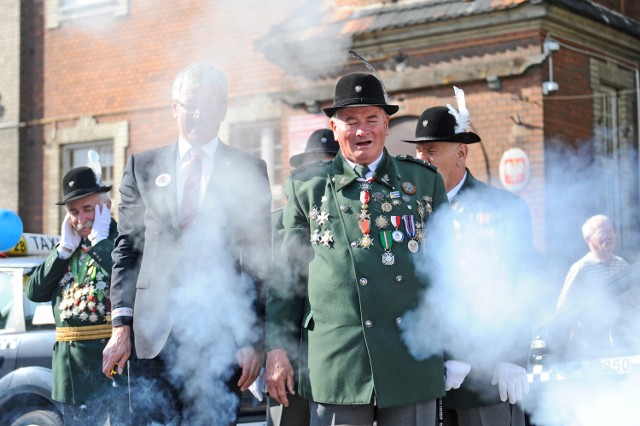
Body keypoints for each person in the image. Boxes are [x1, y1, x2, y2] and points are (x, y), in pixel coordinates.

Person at [265, 72, 454, 426]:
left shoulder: (424, 182)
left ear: (387, 124)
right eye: (350, 121)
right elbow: (286, 278)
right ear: (334, 128)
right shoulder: (307, 187)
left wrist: (457, 349)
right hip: (338, 365)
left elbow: (450, 274)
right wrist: (277, 347)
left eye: (371, 120)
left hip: (411, 358)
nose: (361, 130)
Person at [101, 62, 272, 425]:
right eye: (190, 104)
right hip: (152, 338)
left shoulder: (248, 170)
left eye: (209, 105)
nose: (198, 115)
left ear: (223, 110)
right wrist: (121, 325)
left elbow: (258, 260)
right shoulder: (141, 167)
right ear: (174, 107)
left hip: (220, 335)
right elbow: (128, 249)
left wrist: (252, 338)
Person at [402, 87, 534, 426]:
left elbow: (522, 284)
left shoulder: (504, 209)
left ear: (461, 152)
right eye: (418, 150)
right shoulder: (406, 211)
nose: (422, 159)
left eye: (431, 149)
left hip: (488, 371)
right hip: (424, 372)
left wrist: (515, 356)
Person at [26, 165, 126, 425]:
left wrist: (100, 242)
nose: (81, 219)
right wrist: (62, 250)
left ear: (106, 206)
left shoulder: (120, 240)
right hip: (70, 371)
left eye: (88, 209)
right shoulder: (67, 248)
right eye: (73, 212)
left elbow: (128, 282)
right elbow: (34, 291)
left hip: (109, 363)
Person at [266, 128, 340, 426]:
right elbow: (262, 289)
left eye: (328, 165)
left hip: (333, 356)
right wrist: (266, 350)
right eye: (313, 166)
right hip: (287, 353)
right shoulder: (275, 223)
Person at [555, 215, 629, 352]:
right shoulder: (581, 269)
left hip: (624, 341)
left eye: (611, 231)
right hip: (593, 348)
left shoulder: (622, 265)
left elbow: (634, 302)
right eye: (603, 232)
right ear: (589, 240)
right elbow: (563, 310)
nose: (610, 236)